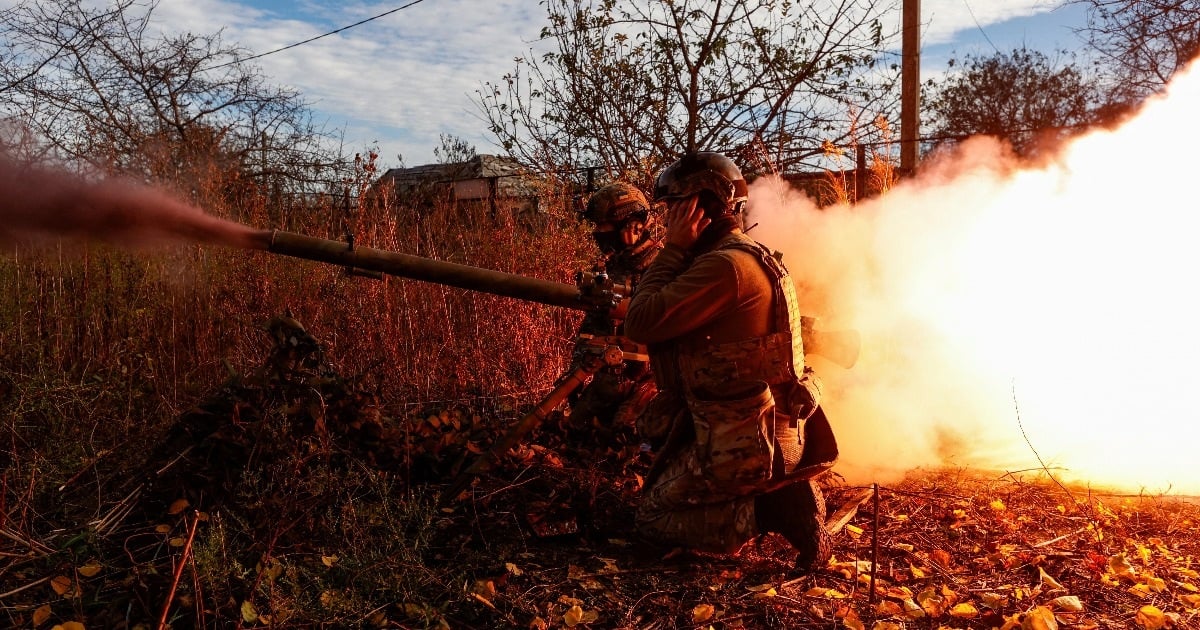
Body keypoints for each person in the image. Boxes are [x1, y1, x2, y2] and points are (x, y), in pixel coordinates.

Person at [622, 152, 839, 572]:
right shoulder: (745, 255)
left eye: (672, 210)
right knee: (662, 479)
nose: (666, 221)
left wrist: (673, 249)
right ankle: (772, 493)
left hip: (746, 445)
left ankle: (775, 510)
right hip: (765, 433)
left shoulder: (723, 267)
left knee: (651, 517)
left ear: (697, 208)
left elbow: (641, 321)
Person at [566, 182, 662, 435]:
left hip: (649, 384)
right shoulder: (613, 266)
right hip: (610, 379)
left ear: (633, 227)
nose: (598, 233)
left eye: (602, 227)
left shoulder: (663, 269)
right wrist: (575, 371)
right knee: (575, 428)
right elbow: (592, 328)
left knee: (624, 434)